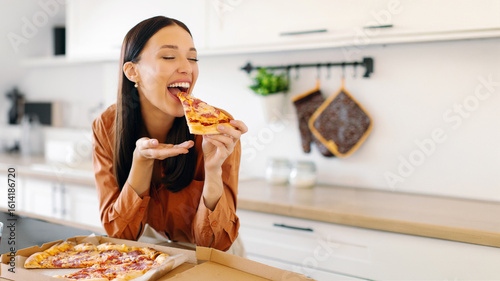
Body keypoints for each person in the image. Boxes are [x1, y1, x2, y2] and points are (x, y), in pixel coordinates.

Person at [91, 16, 248, 252]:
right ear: (133, 71)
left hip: (214, 257)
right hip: (154, 251)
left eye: (193, 58)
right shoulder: (107, 126)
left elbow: (215, 246)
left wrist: (213, 170)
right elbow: (120, 234)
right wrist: (141, 163)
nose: (187, 68)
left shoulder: (216, 129)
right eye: (168, 56)